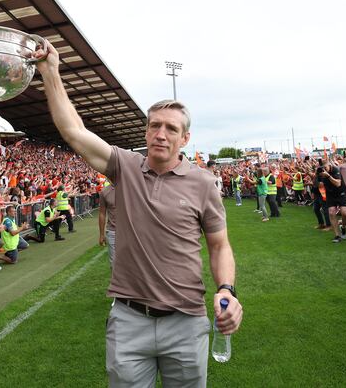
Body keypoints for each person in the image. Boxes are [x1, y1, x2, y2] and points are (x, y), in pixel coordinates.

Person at [34, 40, 242, 388]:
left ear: (185, 138)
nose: (160, 134)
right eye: (154, 126)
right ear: (146, 130)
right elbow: (74, 132)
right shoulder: (124, 167)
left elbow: (219, 245)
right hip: (129, 319)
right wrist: (51, 72)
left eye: (171, 129)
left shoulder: (204, 183)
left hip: (186, 320)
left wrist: (227, 290)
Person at [320, 164, 346, 243]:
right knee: (331, 212)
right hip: (330, 195)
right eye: (323, 168)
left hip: (341, 193)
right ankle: (337, 235)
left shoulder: (335, 170)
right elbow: (318, 184)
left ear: (329, 165)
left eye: (325, 167)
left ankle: (343, 227)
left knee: (345, 213)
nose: (324, 169)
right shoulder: (320, 172)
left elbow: (338, 184)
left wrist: (328, 176)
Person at [98, 181, 117, 265]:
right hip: (113, 231)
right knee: (114, 264)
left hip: (129, 231)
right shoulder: (104, 192)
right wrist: (102, 234)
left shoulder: (129, 188)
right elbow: (102, 213)